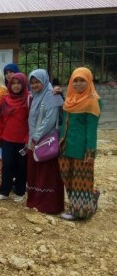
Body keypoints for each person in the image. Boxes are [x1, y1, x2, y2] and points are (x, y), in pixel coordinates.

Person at [59, 67, 101, 221]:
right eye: (75, 80)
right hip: (65, 147)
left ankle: (79, 212)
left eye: (82, 80)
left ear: (89, 81)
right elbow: (64, 124)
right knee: (66, 176)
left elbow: (92, 130)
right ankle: (91, 197)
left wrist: (90, 152)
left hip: (81, 150)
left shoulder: (93, 101)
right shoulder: (69, 99)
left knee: (80, 181)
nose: (78, 84)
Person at [26, 69, 64, 214]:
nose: (35, 85)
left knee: (46, 174)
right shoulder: (34, 97)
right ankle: (36, 201)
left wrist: (36, 136)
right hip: (34, 140)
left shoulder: (51, 95)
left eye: (38, 82)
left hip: (45, 141)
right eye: (32, 82)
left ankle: (48, 205)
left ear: (45, 81)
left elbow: (50, 119)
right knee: (36, 173)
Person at [0, 73, 29, 201]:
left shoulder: (29, 99)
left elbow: (31, 121)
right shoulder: (4, 100)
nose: (16, 86)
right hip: (7, 139)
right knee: (7, 165)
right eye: (13, 83)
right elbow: (0, 120)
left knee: (21, 166)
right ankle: (5, 191)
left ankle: (20, 192)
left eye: (19, 83)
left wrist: (28, 139)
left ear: (24, 84)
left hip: (23, 141)